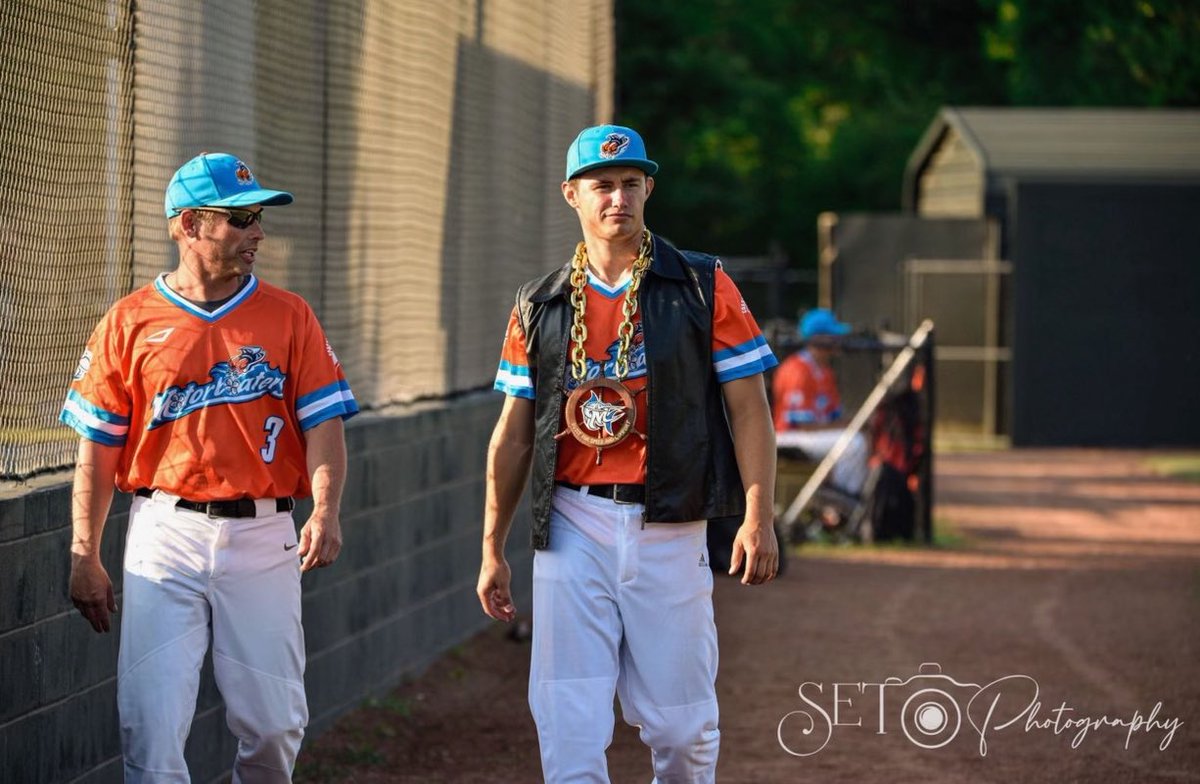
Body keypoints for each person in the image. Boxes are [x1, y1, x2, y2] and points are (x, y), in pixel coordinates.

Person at [476, 124, 779, 783]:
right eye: (602, 185)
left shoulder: (701, 285)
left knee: (682, 727)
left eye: (631, 184)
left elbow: (749, 406)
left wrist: (759, 513)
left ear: (649, 190)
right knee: (568, 717)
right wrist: (492, 545)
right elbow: (514, 433)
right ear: (572, 195)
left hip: (669, 520)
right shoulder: (540, 302)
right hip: (571, 520)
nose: (618, 198)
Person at [61, 152, 358, 782]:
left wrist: (327, 510)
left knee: (275, 726)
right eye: (241, 218)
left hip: (263, 533)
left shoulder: (289, 314)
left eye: (258, 217)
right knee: (151, 723)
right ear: (187, 226)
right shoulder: (130, 320)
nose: (258, 231)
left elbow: (323, 424)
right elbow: (98, 446)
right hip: (163, 534)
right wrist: (84, 552)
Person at [772, 308, 869, 499]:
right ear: (819, 338)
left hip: (811, 433)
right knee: (854, 443)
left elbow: (834, 418)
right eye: (833, 336)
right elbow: (804, 425)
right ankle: (839, 500)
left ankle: (847, 501)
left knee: (859, 438)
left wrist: (857, 422)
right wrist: (850, 425)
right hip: (790, 435)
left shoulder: (825, 371)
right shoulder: (797, 369)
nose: (837, 341)